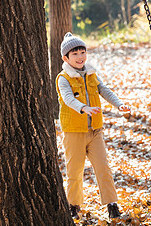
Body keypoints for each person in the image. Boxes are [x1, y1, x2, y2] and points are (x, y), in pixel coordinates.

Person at [56, 32, 130, 219]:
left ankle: (112, 204)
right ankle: (73, 205)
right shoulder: (63, 77)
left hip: (95, 131)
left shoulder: (91, 73)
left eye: (82, 52)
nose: (80, 57)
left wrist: (119, 104)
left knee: (103, 167)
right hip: (74, 132)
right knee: (74, 171)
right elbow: (67, 98)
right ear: (66, 58)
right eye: (75, 54)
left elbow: (104, 90)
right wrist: (83, 108)